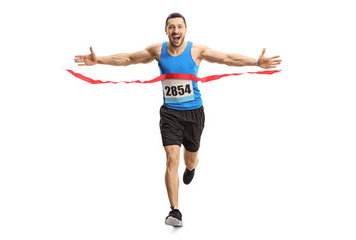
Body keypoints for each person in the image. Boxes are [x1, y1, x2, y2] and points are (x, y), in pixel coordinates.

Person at [74, 12, 282, 227]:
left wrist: (256, 62)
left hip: (194, 113)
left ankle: (191, 168)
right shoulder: (157, 50)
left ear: (185, 30)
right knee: (172, 158)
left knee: (189, 159)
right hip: (170, 113)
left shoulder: (196, 50)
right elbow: (128, 59)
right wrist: (98, 60)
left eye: (179, 27)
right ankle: (175, 211)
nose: (176, 31)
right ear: (166, 30)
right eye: (171, 27)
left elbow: (227, 58)